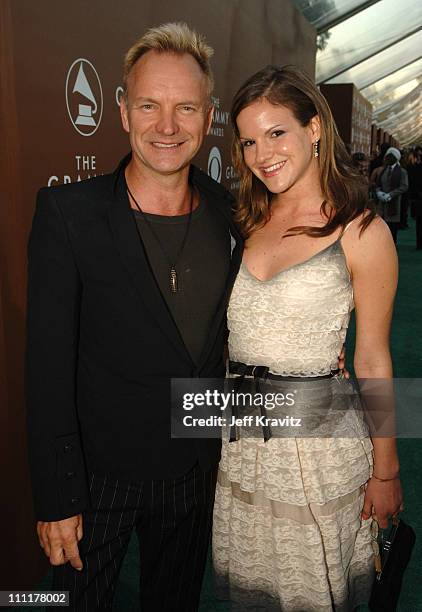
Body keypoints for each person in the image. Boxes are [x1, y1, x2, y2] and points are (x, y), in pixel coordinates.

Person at [25, 22, 244, 611]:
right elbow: (46, 369)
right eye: (149, 105)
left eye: (185, 108)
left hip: (195, 472)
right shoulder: (69, 215)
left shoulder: (234, 217)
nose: (167, 127)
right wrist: (56, 499)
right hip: (97, 481)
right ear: (123, 111)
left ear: (208, 116)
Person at [212, 65, 403, 611]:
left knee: (313, 592)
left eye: (277, 133)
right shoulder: (244, 220)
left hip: (319, 452)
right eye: (248, 140)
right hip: (244, 440)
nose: (260, 153)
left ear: (314, 128)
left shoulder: (362, 230)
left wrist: (386, 469)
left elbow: (371, 358)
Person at [373, 147, 408, 244]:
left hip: (394, 204)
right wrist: (379, 192)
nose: (387, 159)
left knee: (392, 230)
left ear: (396, 159)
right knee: (382, 227)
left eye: (390, 157)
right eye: (387, 157)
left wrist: (390, 195)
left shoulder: (402, 172)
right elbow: (378, 184)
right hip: (382, 205)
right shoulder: (383, 171)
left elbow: (404, 186)